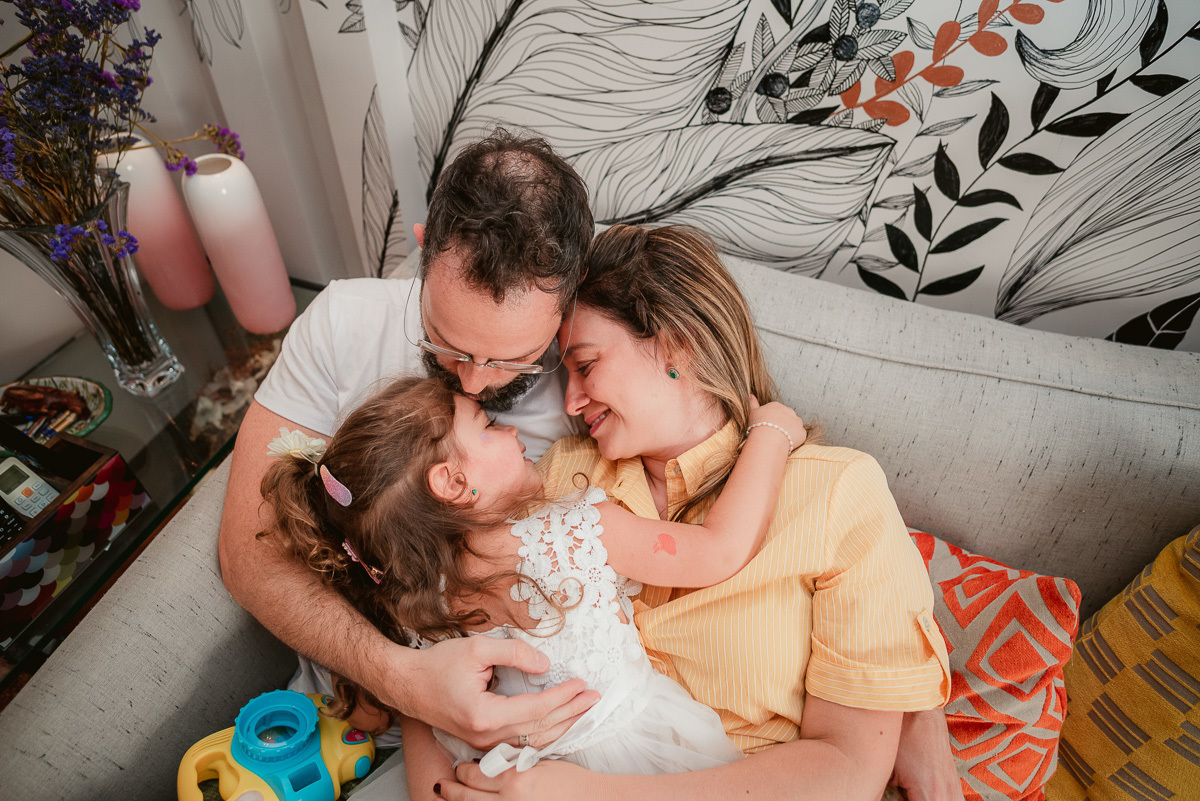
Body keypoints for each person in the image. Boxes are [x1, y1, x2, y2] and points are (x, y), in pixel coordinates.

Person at [440, 225, 957, 801]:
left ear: (677, 342)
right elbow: (445, 629)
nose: (570, 401)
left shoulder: (834, 491)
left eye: (585, 366)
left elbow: (845, 771)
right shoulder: (559, 476)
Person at [219, 129, 602, 752]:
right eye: (446, 341)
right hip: (347, 715)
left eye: (517, 360)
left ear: (572, 291)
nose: (474, 382)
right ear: (423, 249)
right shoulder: (341, 323)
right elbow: (248, 552)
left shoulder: (599, 378)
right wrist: (401, 679)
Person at [257, 375, 807, 798]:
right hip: (645, 769)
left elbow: (429, 759)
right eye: (489, 427)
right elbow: (718, 551)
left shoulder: (412, 611)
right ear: (453, 483)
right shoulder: (573, 531)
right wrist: (773, 433)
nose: (515, 430)